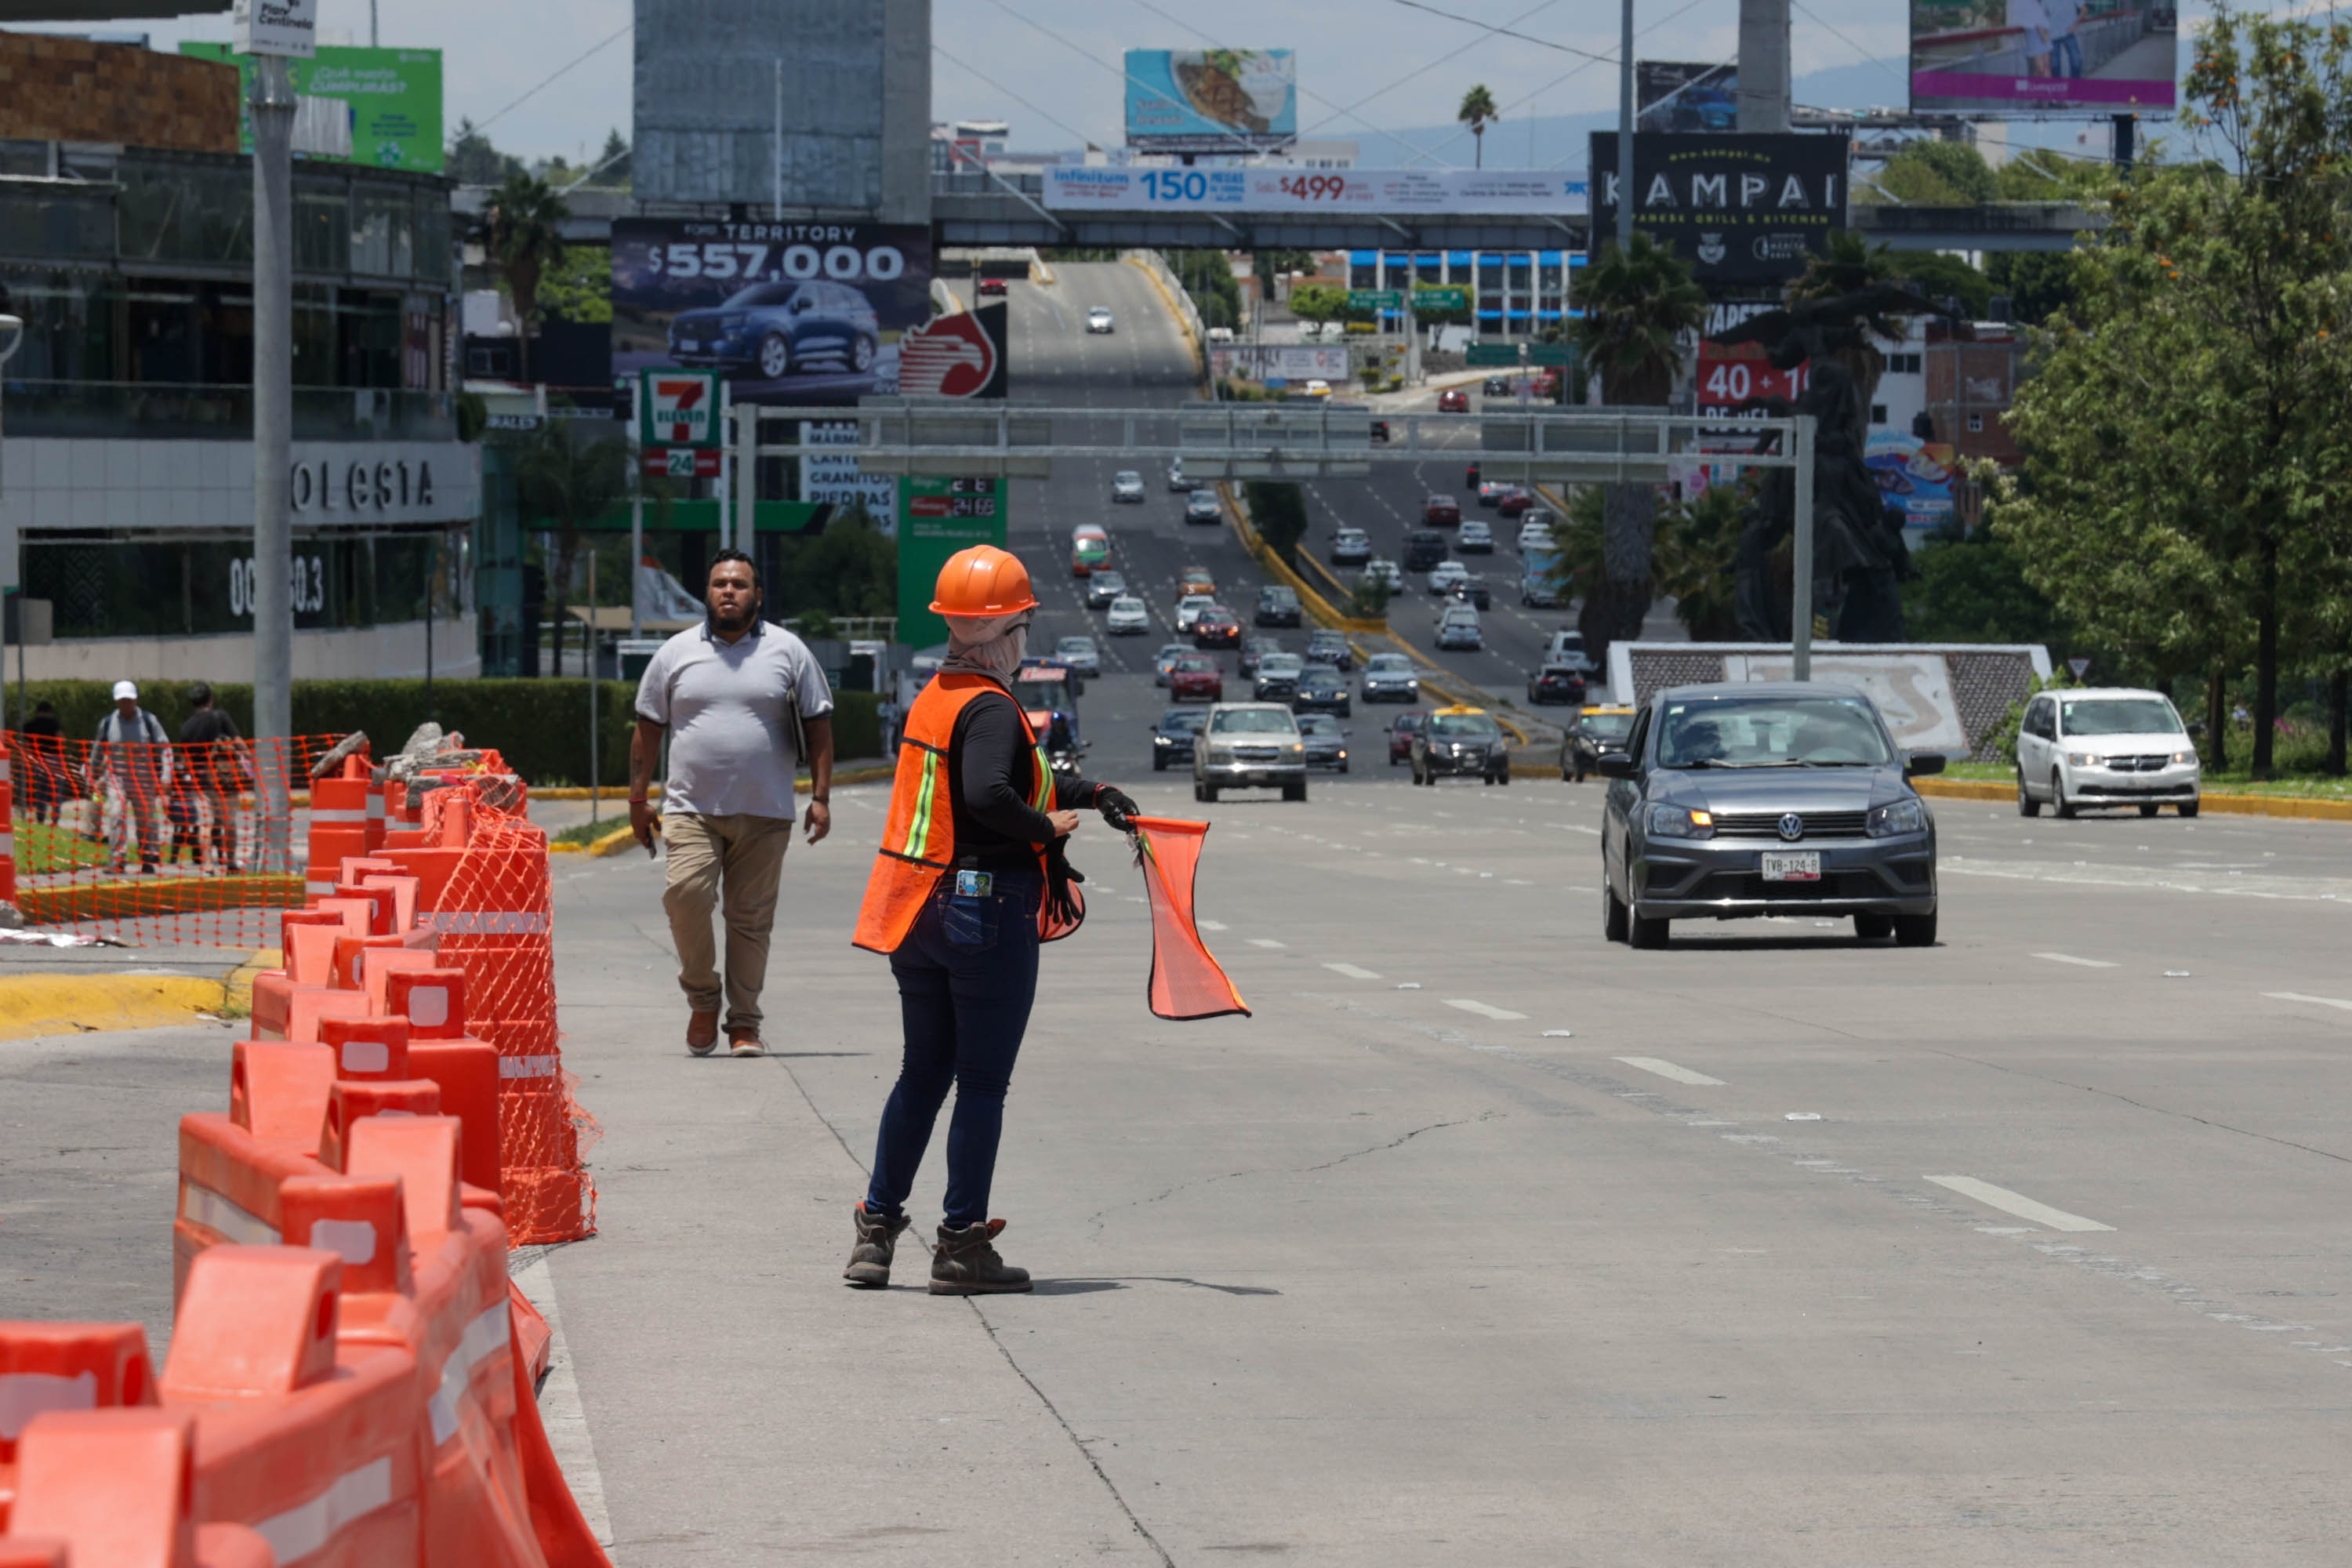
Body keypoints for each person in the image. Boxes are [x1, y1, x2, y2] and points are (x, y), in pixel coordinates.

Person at [845, 545, 1140, 1295]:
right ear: (1007, 628)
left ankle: (876, 1234)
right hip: (982, 911)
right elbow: (988, 793)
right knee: (981, 1082)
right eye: (1026, 623)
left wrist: (1092, 790)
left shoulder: (940, 694)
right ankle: (961, 1244)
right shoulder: (990, 705)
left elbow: (1013, 773)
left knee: (921, 1073)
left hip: (915, 909)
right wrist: (1049, 830)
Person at [629, 550, 836, 1058]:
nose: (728, 591)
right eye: (720, 583)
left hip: (766, 814)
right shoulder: (675, 653)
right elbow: (648, 729)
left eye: (739, 584)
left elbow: (819, 724)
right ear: (707, 593)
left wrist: (821, 797)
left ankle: (744, 1023)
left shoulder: (790, 652)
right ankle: (703, 997)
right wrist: (637, 798)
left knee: (750, 922)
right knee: (686, 896)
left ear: (757, 596)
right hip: (689, 809)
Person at [89, 680, 170, 874]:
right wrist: (93, 776)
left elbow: (165, 748)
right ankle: (117, 860)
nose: (126, 704)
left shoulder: (149, 721)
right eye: (122, 700)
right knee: (117, 814)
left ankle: (148, 857)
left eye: (129, 700)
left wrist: (166, 775)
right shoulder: (108, 723)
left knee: (146, 820)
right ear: (116, 701)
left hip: (144, 780)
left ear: (135, 700)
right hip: (117, 779)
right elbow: (97, 750)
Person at [175, 682, 247, 870]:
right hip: (225, 781)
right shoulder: (220, 717)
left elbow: (185, 760)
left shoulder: (186, 727)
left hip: (202, 783)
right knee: (229, 823)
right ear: (211, 699)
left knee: (206, 823)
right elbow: (239, 742)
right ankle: (231, 862)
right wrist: (248, 757)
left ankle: (207, 864)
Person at [20, 699, 64, 826]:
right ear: (50, 712)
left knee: (41, 792)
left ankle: (40, 819)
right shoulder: (53, 723)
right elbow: (61, 738)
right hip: (55, 759)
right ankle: (55, 820)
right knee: (56, 792)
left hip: (38, 760)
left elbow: (26, 745)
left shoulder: (29, 726)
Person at [2043, 0, 2083, 78]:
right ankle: (2058, 87)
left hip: (2068, 34)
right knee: (2054, 65)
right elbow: (2042, 16)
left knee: (2076, 61)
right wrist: (2045, 33)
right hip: (2052, 36)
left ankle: (2075, 86)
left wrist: (2076, 24)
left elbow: (2084, 10)